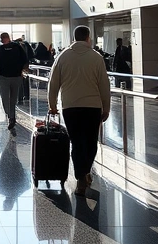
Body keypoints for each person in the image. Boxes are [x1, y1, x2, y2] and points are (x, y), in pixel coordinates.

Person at [47, 26, 110, 196]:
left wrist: (52, 104)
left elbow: (53, 83)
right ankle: (85, 172)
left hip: (71, 107)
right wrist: (106, 107)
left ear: (74, 38)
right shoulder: (96, 58)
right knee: (90, 142)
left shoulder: (63, 56)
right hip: (93, 107)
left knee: (76, 142)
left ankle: (80, 176)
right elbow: (104, 85)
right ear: (88, 38)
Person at [0, 32, 28, 133]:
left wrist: (24, 69)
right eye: (1, 38)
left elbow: (24, 59)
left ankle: (11, 117)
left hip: (15, 77)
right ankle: (10, 115)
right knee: (6, 98)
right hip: (4, 77)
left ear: (7, 38)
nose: (2, 40)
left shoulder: (16, 48)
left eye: (3, 38)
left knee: (13, 99)